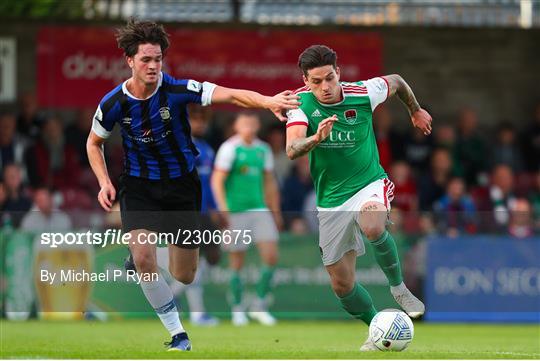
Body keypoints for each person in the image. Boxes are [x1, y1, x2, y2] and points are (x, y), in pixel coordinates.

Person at [86, 19, 298, 351]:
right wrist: (103, 181)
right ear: (129, 60)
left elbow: (230, 94)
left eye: (158, 59)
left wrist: (268, 101)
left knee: (184, 274)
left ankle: (146, 252)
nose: (154, 66)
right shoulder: (113, 103)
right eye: (146, 59)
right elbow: (93, 143)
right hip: (139, 186)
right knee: (143, 258)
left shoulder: (178, 90)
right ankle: (178, 334)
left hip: (182, 188)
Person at [285, 45, 430, 351]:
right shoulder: (300, 104)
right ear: (305, 80)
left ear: (338, 72)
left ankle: (399, 288)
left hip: (368, 184)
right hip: (331, 200)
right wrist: (315, 138)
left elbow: (398, 81)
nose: (325, 87)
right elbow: (292, 148)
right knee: (342, 285)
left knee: (374, 227)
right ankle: (378, 329)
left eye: (329, 78)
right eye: (316, 81)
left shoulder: (363, 92)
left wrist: (414, 109)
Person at [211, 112, 282, 326]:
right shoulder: (230, 148)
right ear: (236, 126)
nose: (249, 127)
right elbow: (217, 181)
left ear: (257, 125)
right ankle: (237, 309)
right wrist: (224, 209)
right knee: (237, 262)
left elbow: (269, 182)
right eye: (244, 124)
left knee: (270, 256)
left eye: (252, 123)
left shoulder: (263, 150)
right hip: (236, 212)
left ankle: (259, 306)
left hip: (259, 210)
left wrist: (275, 210)